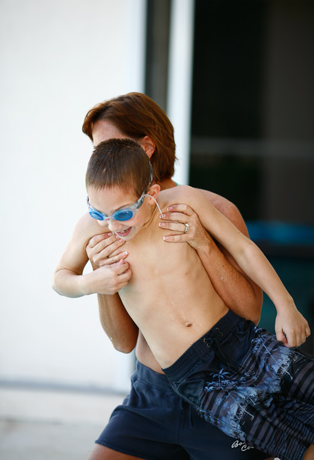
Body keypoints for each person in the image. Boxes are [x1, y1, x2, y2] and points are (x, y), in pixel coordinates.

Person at [53, 138, 313, 460]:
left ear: (150, 194)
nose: (111, 225)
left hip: (238, 340)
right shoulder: (93, 230)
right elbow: (61, 278)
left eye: (122, 213)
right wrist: (93, 282)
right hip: (191, 374)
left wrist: (286, 305)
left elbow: (242, 248)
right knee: (285, 440)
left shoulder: (182, 203)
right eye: (97, 211)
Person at [80, 93, 271, 460]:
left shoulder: (213, 209)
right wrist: (102, 278)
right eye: (95, 152)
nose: (99, 162)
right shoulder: (112, 226)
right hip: (151, 398)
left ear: (146, 147)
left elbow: (250, 313)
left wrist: (204, 244)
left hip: (223, 394)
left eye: (109, 146)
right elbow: (123, 342)